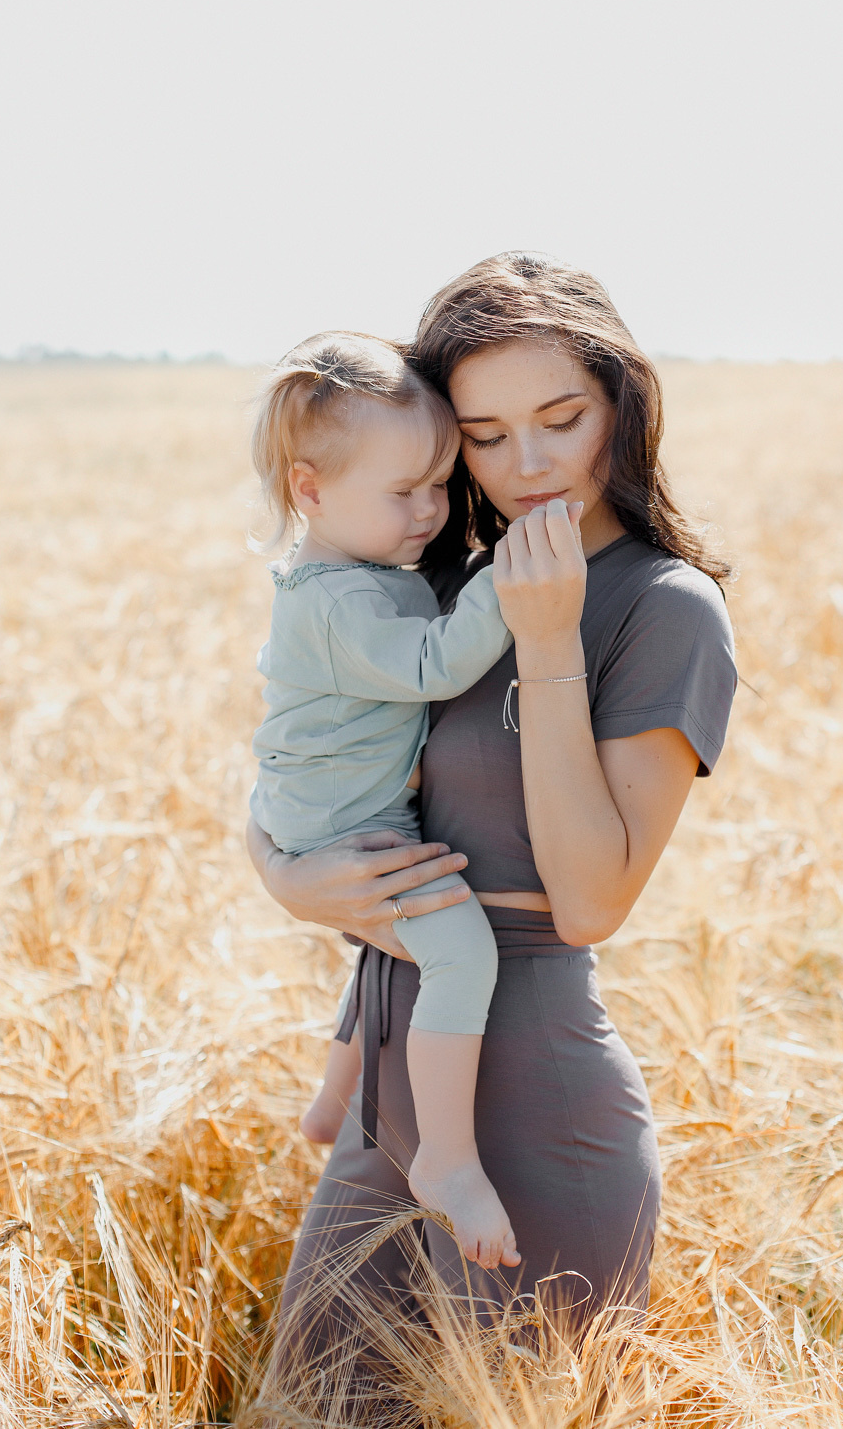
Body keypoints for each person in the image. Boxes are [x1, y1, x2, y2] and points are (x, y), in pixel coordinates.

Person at [247, 252, 737, 1373]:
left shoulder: (665, 609)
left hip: (532, 1091)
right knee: (309, 1397)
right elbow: (304, 745)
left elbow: (592, 899)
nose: (527, 464)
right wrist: (281, 872)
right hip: (396, 1076)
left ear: (621, 402)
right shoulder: (439, 570)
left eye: (561, 418)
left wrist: (551, 633)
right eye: (482, 432)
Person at [249, 329, 526, 1269]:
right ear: (310, 488)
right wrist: (503, 578)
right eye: (401, 491)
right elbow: (437, 663)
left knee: (384, 944)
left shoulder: (359, 573)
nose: (428, 511)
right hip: (345, 826)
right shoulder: (339, 601)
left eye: (440, 484)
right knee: (456, 952)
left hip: (322, 805)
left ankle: (334, 1100)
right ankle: (446, 1160)